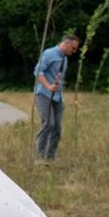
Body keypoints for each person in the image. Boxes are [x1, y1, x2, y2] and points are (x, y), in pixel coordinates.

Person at [33, 33, 80, 162]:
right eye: (73, 48)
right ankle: (39, 157)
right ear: (66, 44)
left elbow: (58, 77)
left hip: (58, 97)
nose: (74, 51)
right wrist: (48, 86)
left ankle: (50, 158)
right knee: (48, 123)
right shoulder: (49, 54)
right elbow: (38, 71)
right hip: (43, 94)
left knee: (57, 127)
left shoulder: (65, 58)